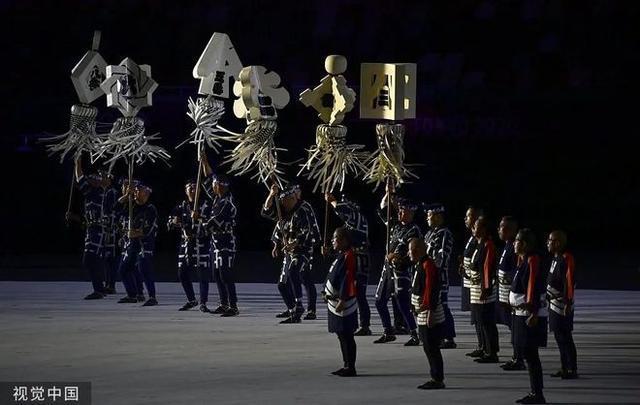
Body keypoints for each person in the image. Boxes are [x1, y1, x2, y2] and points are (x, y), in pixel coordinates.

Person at [262, 183, 321, 323]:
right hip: (289, 251)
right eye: (281, 202)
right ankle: (293, 308)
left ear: (292, 198)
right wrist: (271, 194)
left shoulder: (304, 209)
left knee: (302, 276)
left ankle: (305, 307)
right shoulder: (283, 210)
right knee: (282, 284)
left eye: (285, 201)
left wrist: (294, 243)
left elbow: (308, 232)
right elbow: (266, 211)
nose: (283, 204)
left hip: (304, 250)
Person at [374, 183, 420, 346]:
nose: (399, 213)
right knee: (379, 301)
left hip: (401, 272)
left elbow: (413, 254)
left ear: (411, 212)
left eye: (403, 211)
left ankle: (414, 333)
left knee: (403, 304)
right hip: (387, 270)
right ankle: (388, 331)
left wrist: (398, 256)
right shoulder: (395, 226)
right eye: (399, 210)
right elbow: (382, 208)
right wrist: (388, 193)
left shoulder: (414, 230)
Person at [325, 192, 372, 336]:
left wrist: (332, 201)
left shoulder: (357, 218)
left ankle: (365, 324)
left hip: (360, 259)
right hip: (353, 257)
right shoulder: (350, 222)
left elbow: (341, 209)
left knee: (359, 293)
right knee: (352, 291)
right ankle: (356, 321)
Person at [511, 229, 549, 404]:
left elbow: (532, 286)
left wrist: (533, 312)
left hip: (529, 315)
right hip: (521, 313)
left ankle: (537, 394)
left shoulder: (532, 260)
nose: (514, 243)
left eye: (517, 241)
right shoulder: (523, 260)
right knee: (527, 353)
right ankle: (535, 392)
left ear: (524, 244)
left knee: (531, 355)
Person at [71, 157, 115, 300]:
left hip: (98, 230)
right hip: (93, 229)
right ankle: (100, 288)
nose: (92, 179)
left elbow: (80, 178)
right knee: (94, 259)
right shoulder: (93, 193)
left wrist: (78, 163)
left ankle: (100, 289)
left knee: (90, 259)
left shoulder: (97, 192)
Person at [202, 154, 240, 317]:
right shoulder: (217, 199)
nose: (212, 186)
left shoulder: (226, 202)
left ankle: (233, 305)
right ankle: (223, 303)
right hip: (215, 243)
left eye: (214, 184)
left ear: (221, 186)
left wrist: (200, 219)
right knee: (216, 274)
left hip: (225, 243)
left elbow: (214, 221)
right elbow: (208, 178)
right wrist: (204, 161)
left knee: (225, 273)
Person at [168, 179, 212, 313]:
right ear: (185, 190)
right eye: (190, 188)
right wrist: (174, 221)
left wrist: (199, 218)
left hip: (201, 243)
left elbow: (211, 223)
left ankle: (203, 302)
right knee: (182, 273)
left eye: (195, 188)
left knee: (202, 275)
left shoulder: (206, 205)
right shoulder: (182, 206)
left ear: (199, 190)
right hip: (186, 243)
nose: (193, 190)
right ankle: (191, 299)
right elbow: (170, 221)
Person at [410, 238, 446, 390]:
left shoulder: (428, 265)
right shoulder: (421, 264)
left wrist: (430, 311)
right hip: (422, 313)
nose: (408, 253)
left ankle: (437, 378)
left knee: (431, 347)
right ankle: (435, 376)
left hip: (429, 314)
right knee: (428, 346)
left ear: (417, 250)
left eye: (410, 250)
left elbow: (431, 289)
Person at [323, 227, 359, 377]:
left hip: (344, 303)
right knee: (341, 335)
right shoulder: (341, 255)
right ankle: (346, 364)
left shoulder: (349, 255)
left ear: (344, 240)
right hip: (334, 301)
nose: (332, 240)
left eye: (335, 238)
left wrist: (343, 299)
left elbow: (348, 278)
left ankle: (350, 366)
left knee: (347, 335)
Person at [116, 182, 159, 307]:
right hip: (132, 244)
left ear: (145, 194)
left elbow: (147, 230)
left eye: (137, 191)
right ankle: (132, 294)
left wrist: (133, 233)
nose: (135, 193)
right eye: (134, 191)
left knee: (144, 268)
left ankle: (152, 296)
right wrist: (126, 196)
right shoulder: (131, 206)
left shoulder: (150, 209)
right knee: (123, 269)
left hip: (144, 244)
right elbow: (115, 208)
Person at [423, 203, 457, 349]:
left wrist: (434, 273)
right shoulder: (429, 233)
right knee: (434, 306)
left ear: (438, 217)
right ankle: (438, 335)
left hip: (438, 278)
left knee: (442, 306)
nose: (427, 218)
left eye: (429, 215)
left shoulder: (444, 233)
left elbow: (441, 257)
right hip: (427, 276)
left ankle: (449, 337)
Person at [546, 230, 578, 379]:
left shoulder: (567, 258)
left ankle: (572, 368)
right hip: (553, 304)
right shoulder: (555, 258)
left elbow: (569, 282)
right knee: (559, 337)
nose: (548, 243)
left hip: (562, 305)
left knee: (566, 337)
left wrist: (568, 303)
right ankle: (564, 367)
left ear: (558, 243)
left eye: (550, 240)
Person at [469, 216, 500, 363]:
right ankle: (485, 348)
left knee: (487, 322)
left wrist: (485, 288)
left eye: (477, 226)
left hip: (483, 289)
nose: (473, 229)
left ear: (484, 229)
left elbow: (487, 268)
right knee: (480, 321)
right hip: (476, 288)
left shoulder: (488, 245)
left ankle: (492, 352)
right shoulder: (479, 244)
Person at [497, 216, 526, 370]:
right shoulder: (507, 246)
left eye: (502, 227)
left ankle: (519, 358)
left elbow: (518, 270)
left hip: (511, 296)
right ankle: (517, 356)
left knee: (516, 328)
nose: (499, 230)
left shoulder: (514, 248)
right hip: (504, 295)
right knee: (512, 327)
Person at [460, 206, 485, 358]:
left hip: (477, 283)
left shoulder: (480, 240)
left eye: (468, 216)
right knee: (475, 316)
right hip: (469, 281)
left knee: (480, 317)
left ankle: (485, 346)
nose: (466, 219)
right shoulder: (471, 237)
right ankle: (481, 345)